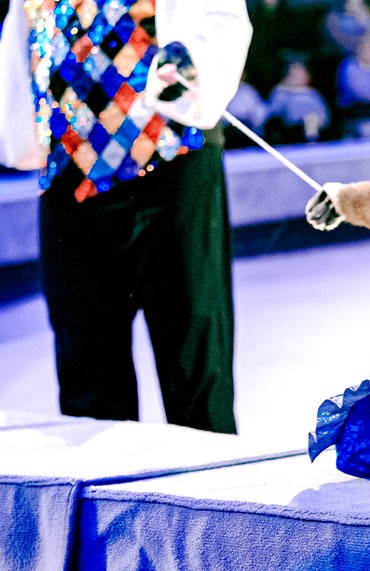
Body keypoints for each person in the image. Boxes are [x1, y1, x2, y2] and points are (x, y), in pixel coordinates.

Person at [0, 0, 252, 433]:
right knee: (87, 378)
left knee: (193, 363)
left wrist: (195, 60)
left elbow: (221, 16)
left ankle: (209, 473)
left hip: (169, 160)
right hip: (69, 176)